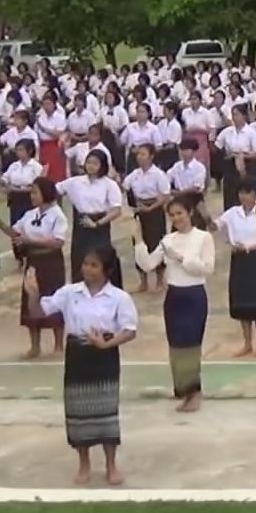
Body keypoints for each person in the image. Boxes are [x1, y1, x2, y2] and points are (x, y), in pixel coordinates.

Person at [25, 244, 138, 486]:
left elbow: (129, 330)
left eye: (94, 265)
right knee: (78, 412)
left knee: (107, 412)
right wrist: (33, 294)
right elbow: (38, 313)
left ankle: (110, 464)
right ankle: (84, 463)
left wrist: (107, 344)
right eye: (86, 264)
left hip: (104, 355)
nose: (87, 269)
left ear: (106, 269)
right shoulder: (69, 292)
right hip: (77, 354)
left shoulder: (118, 297)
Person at [135, 195, 216, 413]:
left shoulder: (203, 237)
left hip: (194, 295)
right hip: (174, 297)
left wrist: (180, 258)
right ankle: (183, 389)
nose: (176, 218)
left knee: (191, 345)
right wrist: (140, 242)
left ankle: (195, 392)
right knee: (176, 346)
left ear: (189, 213)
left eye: (180, 213)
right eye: (172, 215)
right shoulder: (167, 240)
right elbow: (149, 264)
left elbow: (207, 268)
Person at [0, 178, 70, 359]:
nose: (32, 196)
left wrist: (30, 240)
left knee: (53, 298)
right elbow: (15, 232)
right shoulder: (30, 214)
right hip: (33, 261)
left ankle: (58, 344)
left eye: (35, 192)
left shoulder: (57, 215)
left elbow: (57, 241)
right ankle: (35, 345)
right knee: (31, 299)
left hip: (51, 261)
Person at [216, 179, 256, 357]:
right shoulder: (233, 213)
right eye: (241, 192)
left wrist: (250, 247)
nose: (244, 196)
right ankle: (247, 342)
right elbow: (216, 226)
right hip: (239, 259)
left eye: (248, 192)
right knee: (242, 301)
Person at [57, 150, 124, 287]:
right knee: (79, 258)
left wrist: (97, 223)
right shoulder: (75, 182)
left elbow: (116, 210)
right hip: (81, 224)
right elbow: (54, 190)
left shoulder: (109, 185)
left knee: (101, 258)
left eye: (95, 163)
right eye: (88, 162)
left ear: (102, 165)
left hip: (100, 225)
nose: (91, 166)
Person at [123, 144, 171, 293]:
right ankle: (143, 281)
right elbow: (124, 186)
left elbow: (165, 196)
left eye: (143, 154)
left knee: (156, 243)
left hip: (154, 211)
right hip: (139, 211)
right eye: (138, 154)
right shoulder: (135, 174)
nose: (139, 157)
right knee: (138, 244)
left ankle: (159, 280)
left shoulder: (158, 174)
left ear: (151, 156)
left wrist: (150, 208)